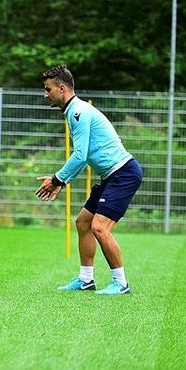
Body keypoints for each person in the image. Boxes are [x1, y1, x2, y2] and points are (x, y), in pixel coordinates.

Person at [35, 65, 143, 295]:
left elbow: (80, 156)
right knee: (83, 223)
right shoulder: (74, 111)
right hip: (111, 175)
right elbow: (83, 158)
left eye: (48, 89)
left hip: (123, 173)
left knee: (99, 228)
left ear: (61, 88)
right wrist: (61, 181)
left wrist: (57, 179)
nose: (45, 94)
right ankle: (86, 279)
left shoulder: (79, 112)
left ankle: (121, 283)